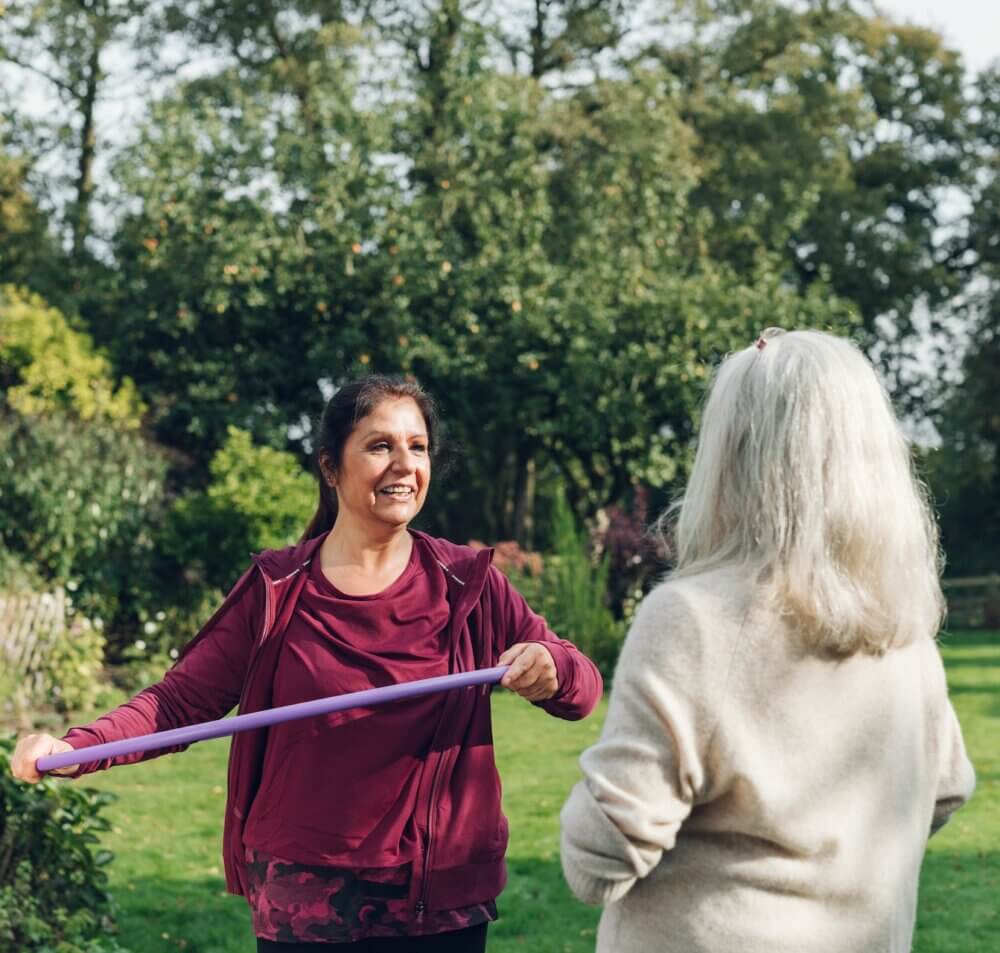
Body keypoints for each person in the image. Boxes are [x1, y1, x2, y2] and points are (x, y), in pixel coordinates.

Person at [12, 374, 603, 952]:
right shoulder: (278, 587)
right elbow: (178, 702)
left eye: (417, 447)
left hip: (438, 900)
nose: (404, 464)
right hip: (306, 901)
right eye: (379, 446)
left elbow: (581, 689)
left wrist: (551, 665)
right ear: (329, 467)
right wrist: (76, 748)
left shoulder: (467, 583)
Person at [559, 328, 975, 953]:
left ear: (732, 455)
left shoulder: (692, 618)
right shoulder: (902, 628)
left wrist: (582, 813)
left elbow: (602, 857)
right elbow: (946, 788)